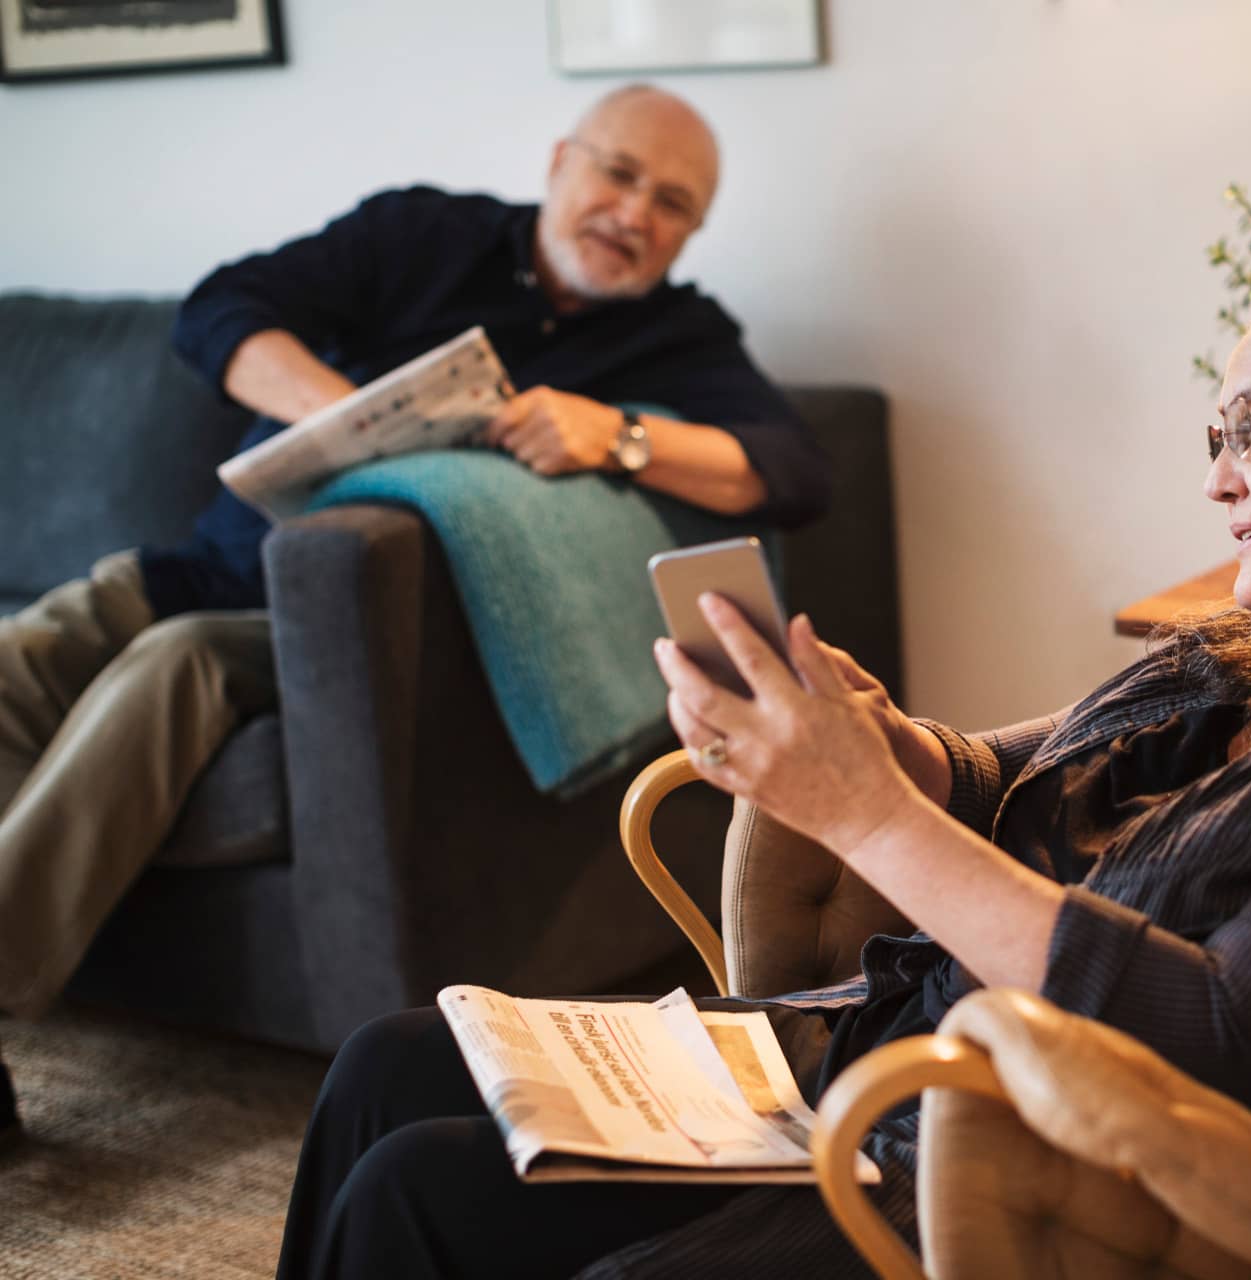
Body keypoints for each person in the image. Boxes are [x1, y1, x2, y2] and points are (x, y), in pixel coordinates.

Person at [273, 261, 1251, 1279]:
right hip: (880, 1052)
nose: (1218, 482)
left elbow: (1222, 1033)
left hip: (1011, 1155)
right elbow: (988, 775)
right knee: (391, 1064)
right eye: (1217, 438)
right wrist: (874, 743)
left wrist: (857, 807)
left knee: (421, 1195)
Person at [0, 84, 830, 1139]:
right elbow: (220, 308)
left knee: (173, 665)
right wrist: (335, 415)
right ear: (560, 160)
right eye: (619, 174)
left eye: (673, 204)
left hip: (315, 634)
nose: (634, 215)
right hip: (196, 563)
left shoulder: (674, 338)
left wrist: (614, 434)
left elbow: (797, 470)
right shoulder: (421, 233)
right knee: (19, 660)